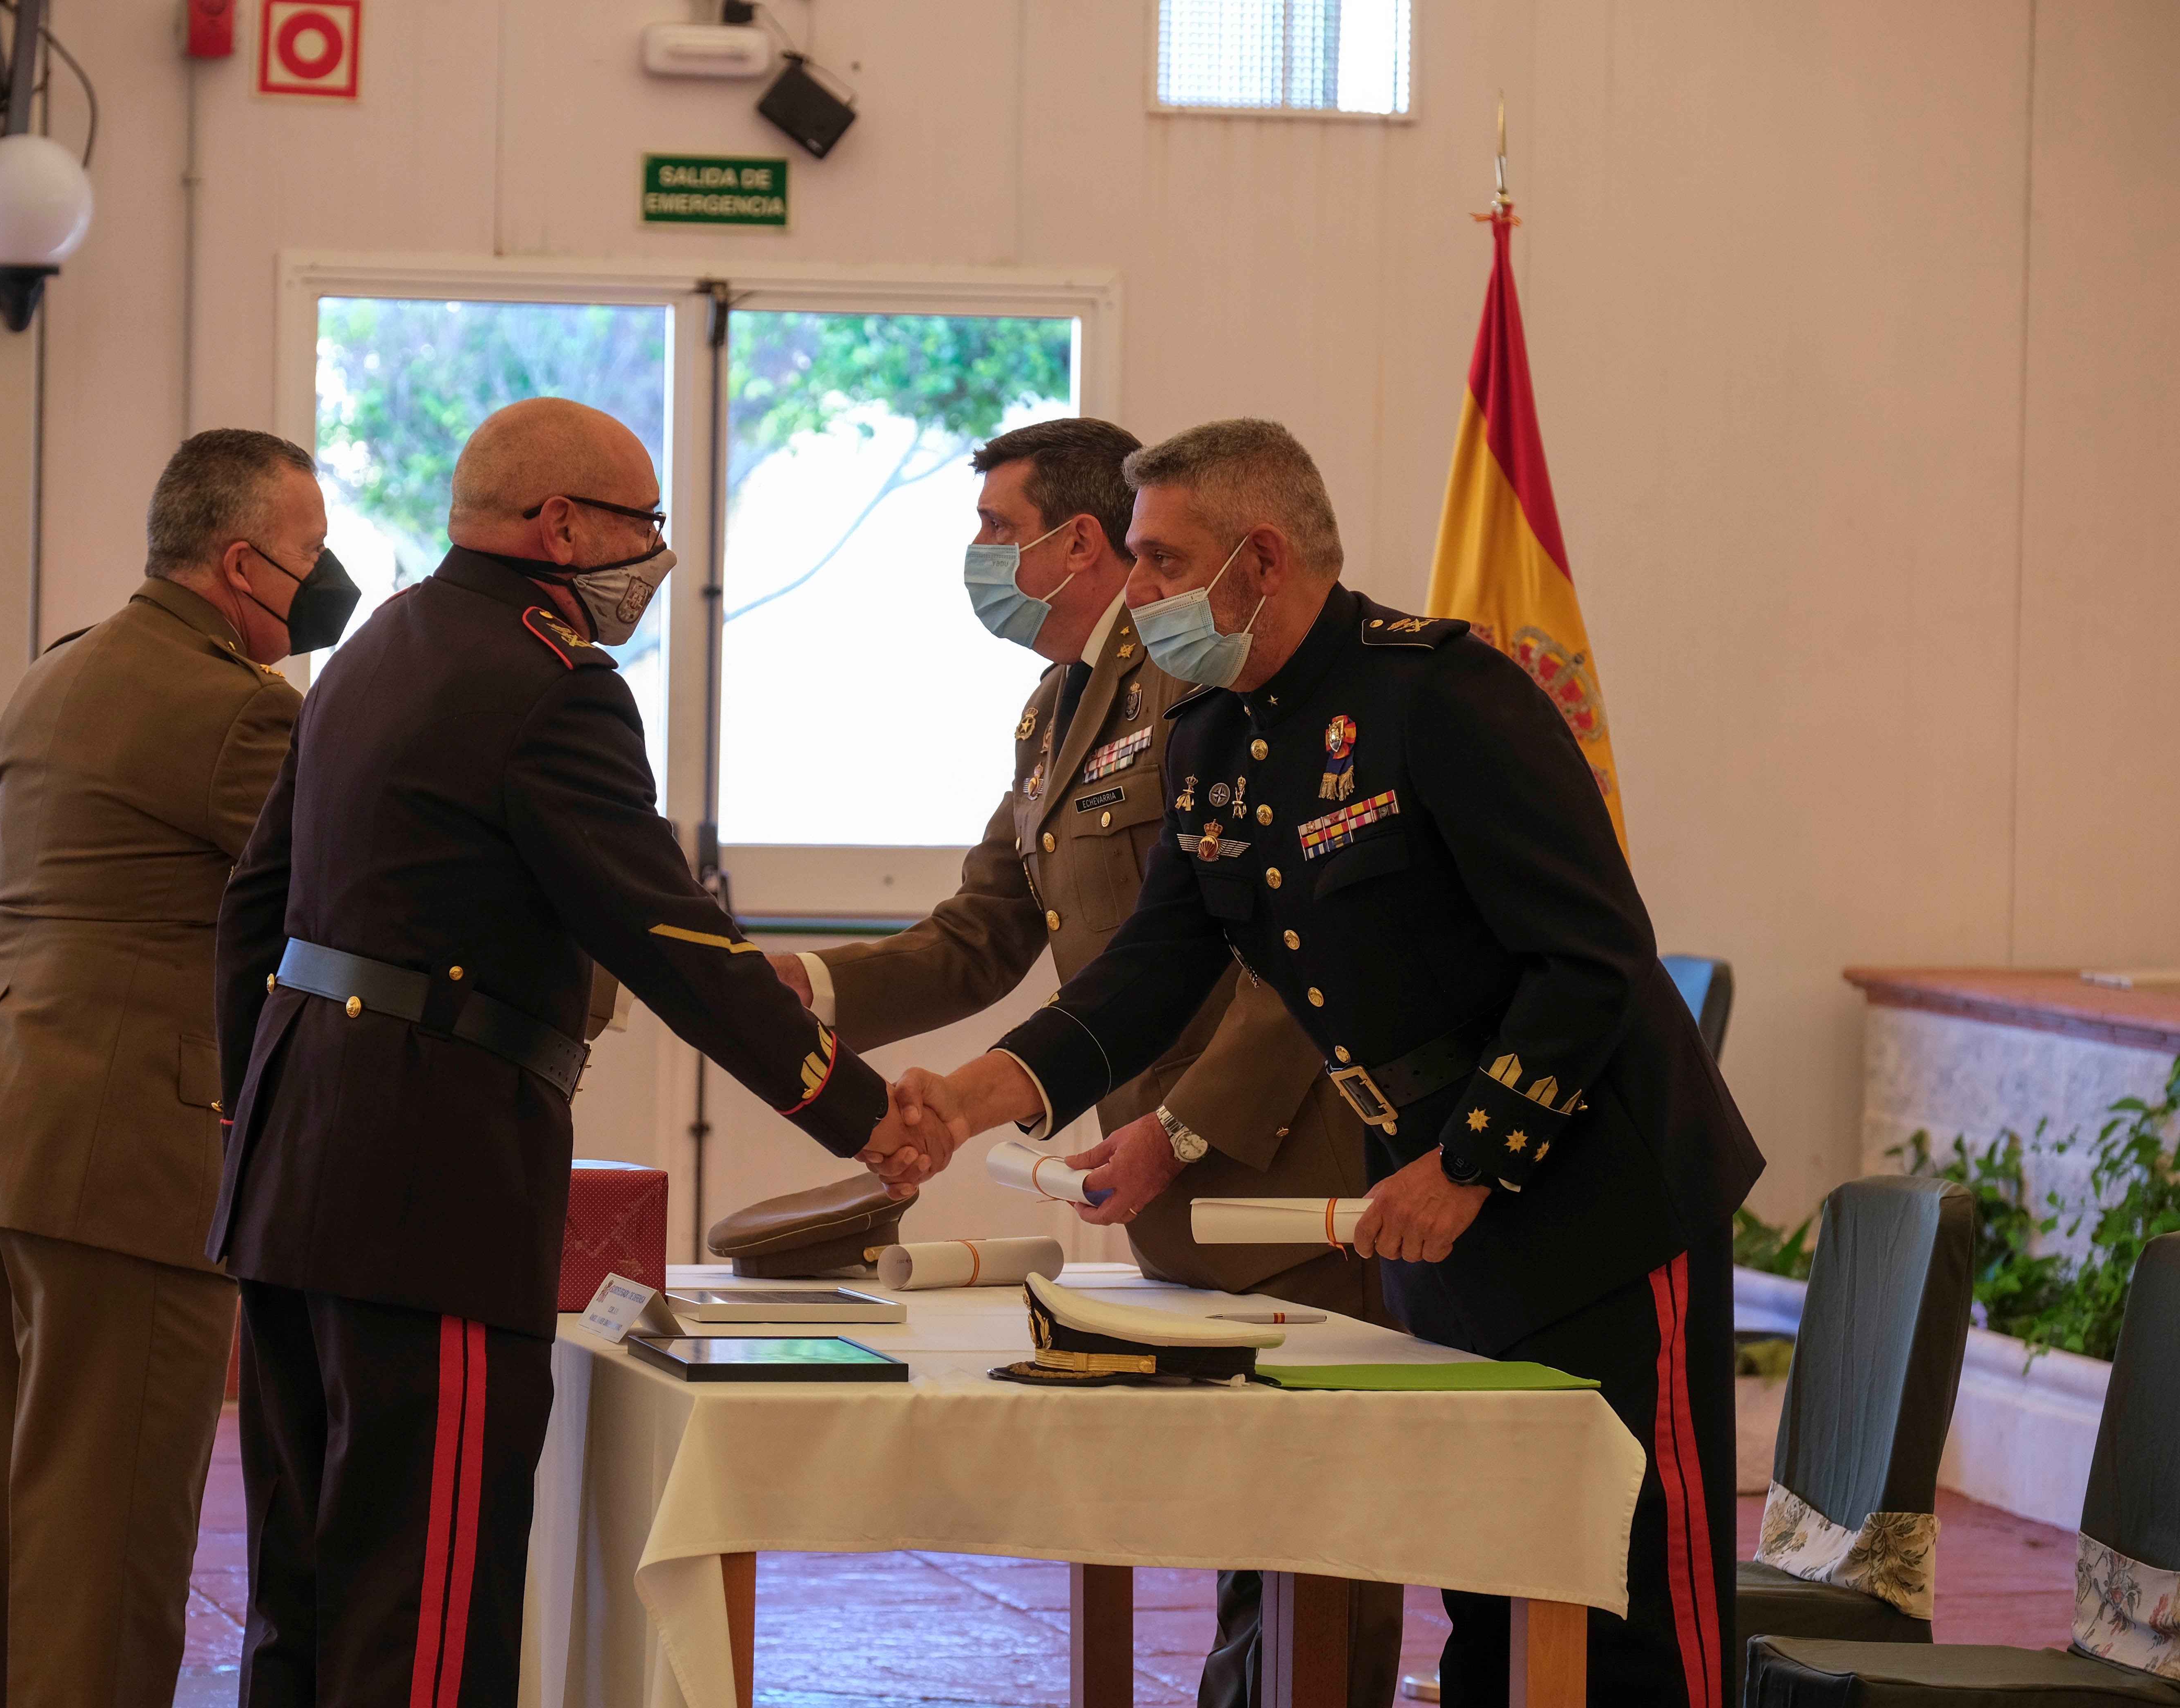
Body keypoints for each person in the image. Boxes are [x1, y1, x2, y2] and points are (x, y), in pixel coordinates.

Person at [892, 419, 1765, 1708]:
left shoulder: (1444, 697)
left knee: (1626, 1600)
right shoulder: (1219, 741)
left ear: (1260, 559)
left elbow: (1593, 962)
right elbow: (1150, 973)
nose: (1135, 595)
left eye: (1158, 561)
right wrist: (972, 1102)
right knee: (1488, 1578)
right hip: (1425, 1209)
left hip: (1598, 1205)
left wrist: (1468, 1162)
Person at [208, 397, 928, 1708]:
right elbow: (670, 937)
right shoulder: (551, 690)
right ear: (561, 525)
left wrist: (246, 1121)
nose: (652, 556)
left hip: (294, 1167)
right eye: (641, 527)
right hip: (439, 1180)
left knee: (307, 1580)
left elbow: (254, 909)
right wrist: (855, 1105)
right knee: (423, 1599)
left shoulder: (374, 650)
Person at [765, 415, 1400, 1708]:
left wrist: (1189, 1125)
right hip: (1162, 1174)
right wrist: (809, 993)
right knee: (1247, 1533)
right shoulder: (1054, 710)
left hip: (1283, 1169)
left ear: (1083, 540)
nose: (980, 557)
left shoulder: (1203, 687)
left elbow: (1303, 956)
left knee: (1316, 1540)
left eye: (999, 531)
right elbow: (990, 929)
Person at [0, 429, 349, 1707]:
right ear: (242, 559)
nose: (328, 581)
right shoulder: (241, 708)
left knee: (29, 1531)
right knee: (112, 1546)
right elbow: (356, 897)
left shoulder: (51, 681)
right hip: (131, 1161)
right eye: (312, 554)